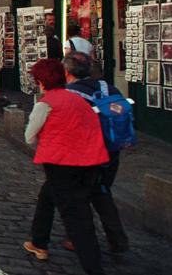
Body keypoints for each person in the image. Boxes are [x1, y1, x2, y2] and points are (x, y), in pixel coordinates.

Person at [23, 58, 109, 274]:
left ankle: (94, 267)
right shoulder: (78, 100)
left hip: (63, 163)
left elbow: (29, 136)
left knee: (75, 216)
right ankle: (39, 241)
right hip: (91, 161)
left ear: (42, 81)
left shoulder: (46, 103)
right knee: (47, 196)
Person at [62, 52, 129, 253]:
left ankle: (81, 239)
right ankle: (117, 239)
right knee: (101, 192)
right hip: (112, 150)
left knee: (79, 196)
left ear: (67, 72)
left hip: (86, 151)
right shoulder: (107, 87)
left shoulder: (70, 93)